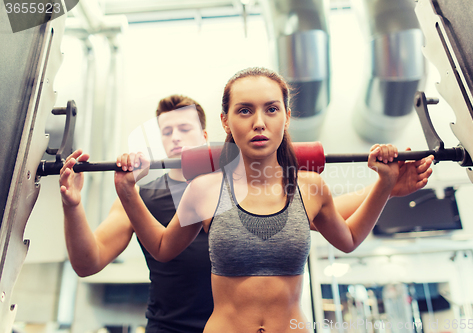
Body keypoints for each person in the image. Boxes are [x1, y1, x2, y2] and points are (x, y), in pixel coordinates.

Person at [113, 67, 434, 333]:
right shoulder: (207, 190)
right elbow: (161, 248)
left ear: (286, 116)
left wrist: (385, 182)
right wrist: (128, 192)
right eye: (244, 110)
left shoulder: (310, 187)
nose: (259, 122)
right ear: (225, 121)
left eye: (271, 109)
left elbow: (349, 239)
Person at [59, 95, 214, 333]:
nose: (175, 137)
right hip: (168, 328)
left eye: (184, 128)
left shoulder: (231, 190)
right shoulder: (140, 196)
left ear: (204, 136)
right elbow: (87, 263)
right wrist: (73, 206)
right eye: (167, 131)